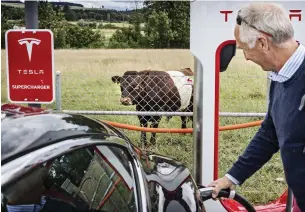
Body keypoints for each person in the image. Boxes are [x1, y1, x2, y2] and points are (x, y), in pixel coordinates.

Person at [208, 2, 305, 211]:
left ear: (263, 43)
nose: (245, 56)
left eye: (245, 48)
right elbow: (270, 132)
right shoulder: (279, 76)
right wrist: (232, 177)